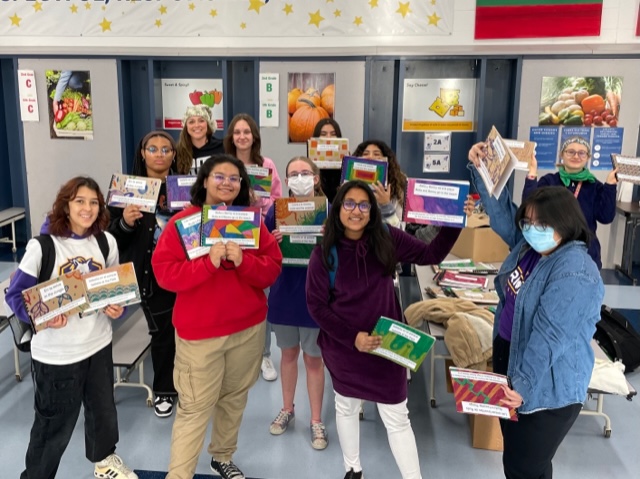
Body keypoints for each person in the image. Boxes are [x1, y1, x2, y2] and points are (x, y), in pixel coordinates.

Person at [306, 180, 469, 479]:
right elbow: (317, 307)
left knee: (397, 416)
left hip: (388, 345)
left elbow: (430, 255)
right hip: (345, 350)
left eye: (364, 204)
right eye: (349, 204)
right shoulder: (324, 254)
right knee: (346, 407)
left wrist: (454, 221)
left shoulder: (386, 237)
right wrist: (353, 339)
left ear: (372, 210)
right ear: (338, 208)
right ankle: (352, 470)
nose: (356, 211)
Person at [468, 150, 605, 479]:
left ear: (564, 223)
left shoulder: (575, 270)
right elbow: (501, 215)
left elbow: (549, 336)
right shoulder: (532, 247)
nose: (531, 229)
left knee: (523, 466)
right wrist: (482, 168)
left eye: (541, 223)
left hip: (544, 384)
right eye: (527, 222)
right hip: (511, 358)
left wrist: (523, 385)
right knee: (520, 459)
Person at [152, 154, 283, 479]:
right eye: (219, 176)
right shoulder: (184, 223)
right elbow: (165, 274)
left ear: (242, 185)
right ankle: (178, 475)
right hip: (200, 334)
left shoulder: (250, 222)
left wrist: (245, 261)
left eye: (234, 178)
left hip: (248, 329)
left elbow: (272, 268)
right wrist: (207, 263)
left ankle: (222, 456)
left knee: (234, 399)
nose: (227, 183)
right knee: (195, 408)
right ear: (205, 181)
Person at [5, 176, 137, 479]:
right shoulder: (43, 247)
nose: (87, 208)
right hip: (57, 356)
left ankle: (105, 462)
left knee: (103, 413)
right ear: (65, 204)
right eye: (80, 201)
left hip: (99, 344)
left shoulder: (106, 241)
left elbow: (118, 291)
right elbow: (15, 297)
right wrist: (43, 316)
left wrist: (119, 307)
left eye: (94, 202)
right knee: (53, 426)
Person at [108, 130, 182, 418]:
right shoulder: (124, 189)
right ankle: (164, 390)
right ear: (142, 153)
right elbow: (110, 237)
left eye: (166, 149)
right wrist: (125, 223)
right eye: (153, 148)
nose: (160, 154)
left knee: (176, 332)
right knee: (160, 332)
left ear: (174, 155)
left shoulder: (185, 188)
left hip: (177, 271)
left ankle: (177, 388)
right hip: (142, 272)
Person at [471, 137, 617, 269]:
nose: (576, 156)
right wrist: (532, 174)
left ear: (588, 157)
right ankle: (480, 168)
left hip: (583, 254)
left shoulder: (595, 186)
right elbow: (528, 208)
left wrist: (610, 186)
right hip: (547, 250)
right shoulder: (549, 181)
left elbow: (606, 217)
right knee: (505, 220)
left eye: (581, 153)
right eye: (570, 152)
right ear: (561, 154)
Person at [265, 156, 328, 450]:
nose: (300, 178)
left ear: (315, 177)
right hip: (284, 292)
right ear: (286, 181)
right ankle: (287, 409)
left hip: (316, 295)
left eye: (305, 173)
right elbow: (261, 250)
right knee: (287, 355)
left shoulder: (330, 211)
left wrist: (331, 239)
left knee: (313, 359)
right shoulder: (275, 213)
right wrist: (272, 240)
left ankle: (316, 421)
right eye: (293, 174)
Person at [223, 112, 283, 381]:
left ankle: (265, 355)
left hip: (258, 237)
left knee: (264, 297)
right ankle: (234, 354)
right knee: (231, 295)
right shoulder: (224, 165)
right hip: (228, 235)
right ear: (231, 137)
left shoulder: (266, 164)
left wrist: (259, 202)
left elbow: (278, 201)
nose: (242, 136)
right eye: (237, 132)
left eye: (247, 132)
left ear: (254, 136)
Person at [352, 139, 407, 227]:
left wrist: (386, 205)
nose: (370, 157)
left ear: (386, 160)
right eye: (365, 154)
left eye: (376, 154)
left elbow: (400, 231)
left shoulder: (397, 190)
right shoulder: (349, 188)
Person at [176, 104, 224, 174]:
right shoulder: (177, 151)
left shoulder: (222, 147)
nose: (197, 125)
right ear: (186, 126)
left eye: (201, 121)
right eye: (191, 122)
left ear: (208, 124)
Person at [313, 118, 344, 203]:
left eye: (333, 134)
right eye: (323, 134)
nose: (328, 138)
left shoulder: (346, 164)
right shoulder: (309, 166)